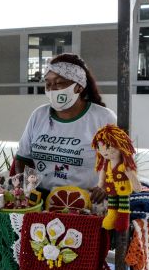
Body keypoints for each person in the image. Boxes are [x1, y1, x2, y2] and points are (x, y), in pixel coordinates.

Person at [10, 54, 116, 204]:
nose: (52, 89)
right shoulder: (39, 115)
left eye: (59, 83)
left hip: (84, 202)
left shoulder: (103, 118)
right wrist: (27, 189)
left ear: (79, 86)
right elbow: (23, 158)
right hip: (41, 200)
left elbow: (120, 161)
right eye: (48, 84)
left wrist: (106, 185)